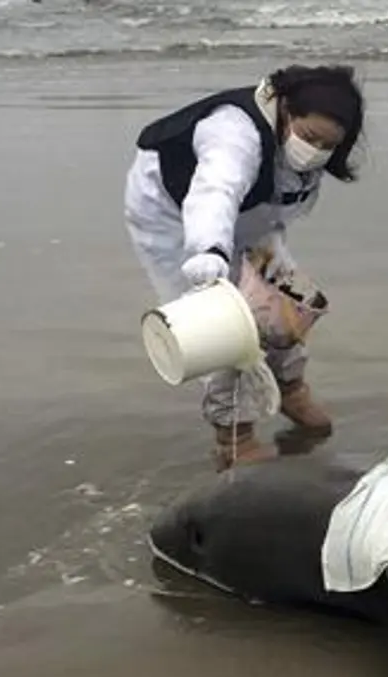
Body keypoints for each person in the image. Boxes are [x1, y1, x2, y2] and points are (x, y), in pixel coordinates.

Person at [123, 64, 366, 470]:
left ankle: (290, 387)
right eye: (309, 137)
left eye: (328, 145)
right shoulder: (233, 132)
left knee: (292, 304)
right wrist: (209, 251)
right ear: (286, 110)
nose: (317, 150)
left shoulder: (311, 150)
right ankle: (234, 438)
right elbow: (216, 190)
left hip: (253, 220)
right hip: (175, 215)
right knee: (225, 328)